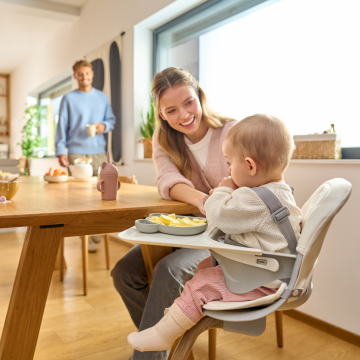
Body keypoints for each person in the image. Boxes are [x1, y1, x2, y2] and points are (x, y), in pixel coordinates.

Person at [127, 114, 303, 351]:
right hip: (270, 270)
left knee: (202, 283)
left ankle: (164, 333)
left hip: (263, 279)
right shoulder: (279, 192)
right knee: (204, 269)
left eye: (230, 164)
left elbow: (218, 215)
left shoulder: (255, 198)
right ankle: (179, 314)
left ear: (250, 165)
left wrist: (222, 190)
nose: (228, 169)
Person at [111, 67, 236, 360]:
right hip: (188, 230)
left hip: (226, 237)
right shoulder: (164, 139)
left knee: (168, 271)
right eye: (172, 109)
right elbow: (167, 180)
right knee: (125, 273)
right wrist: (201, 199)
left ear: (200, 97)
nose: (184, 115)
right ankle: (166, 344)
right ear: (161, 114)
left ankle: (152, 355)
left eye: (189, 102)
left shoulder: (231, 130)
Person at [55, 60, 116, 252]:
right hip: (76, 152)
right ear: (75, 75)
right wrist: (60, 150)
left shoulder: (102, 97)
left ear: (92, 74)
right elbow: (61, 127)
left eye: (87, 73)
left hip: (98, 151)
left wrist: (103, 126)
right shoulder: (68, 99)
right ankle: (84, 235)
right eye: (80, 74)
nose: (85, 77)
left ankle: (95, 231)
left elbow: (111, 120)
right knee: (79, 196)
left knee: (101, 193)